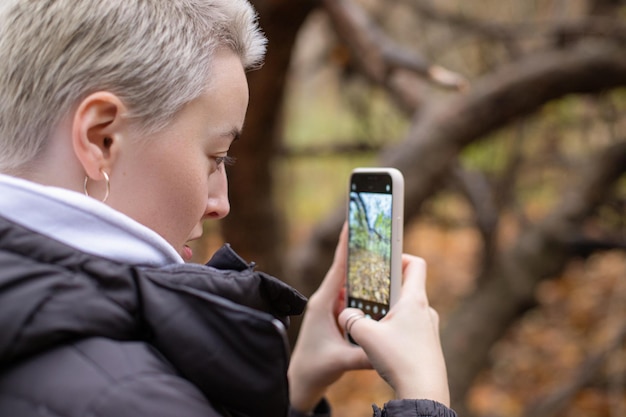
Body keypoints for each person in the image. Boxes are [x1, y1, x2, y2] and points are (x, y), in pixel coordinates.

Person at [0, 1, 456, 416]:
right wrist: (424, 394)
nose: (221, 204)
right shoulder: (131, 396)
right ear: (102, 138)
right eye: (216, 157)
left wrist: (295, 390)